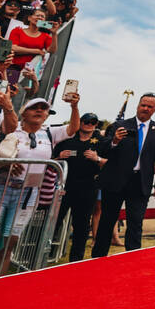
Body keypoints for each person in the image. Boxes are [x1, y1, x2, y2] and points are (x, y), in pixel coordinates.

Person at [0, 94, 80, 274]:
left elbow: (73, 129)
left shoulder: (50, 131)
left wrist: (74, 107)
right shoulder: (11, 127)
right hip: (1, 188)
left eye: (44, 109)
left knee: (11, 240)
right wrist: (7, 163)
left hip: (28, 194)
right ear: (24, 113)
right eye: (35, 108)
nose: (40, 111)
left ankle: (1, 283)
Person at [91, 93, 155, 256]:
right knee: (107, 221)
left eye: (149, 106)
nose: (145, 108)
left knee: (135, 223)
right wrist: (115, 141)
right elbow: (103, 150)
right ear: (138, 105)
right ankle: (98, 258)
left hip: (140, 182)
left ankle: (132, 259)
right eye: (143, 105)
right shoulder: (119, 125)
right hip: (115, 180)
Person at [51, 111, 104, 261]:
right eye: (85, 121)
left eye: (93, 122)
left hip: (87, 188)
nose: (88, 124)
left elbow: (111, 162)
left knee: (81, 226)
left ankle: (76, 260)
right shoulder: (66, 139)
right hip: (64, 187)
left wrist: (97, 158)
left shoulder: (101, 141)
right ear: (79, 122)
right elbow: (51, 159)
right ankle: (47, 253)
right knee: (54, 221)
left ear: (96, 125)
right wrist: (59, 157)